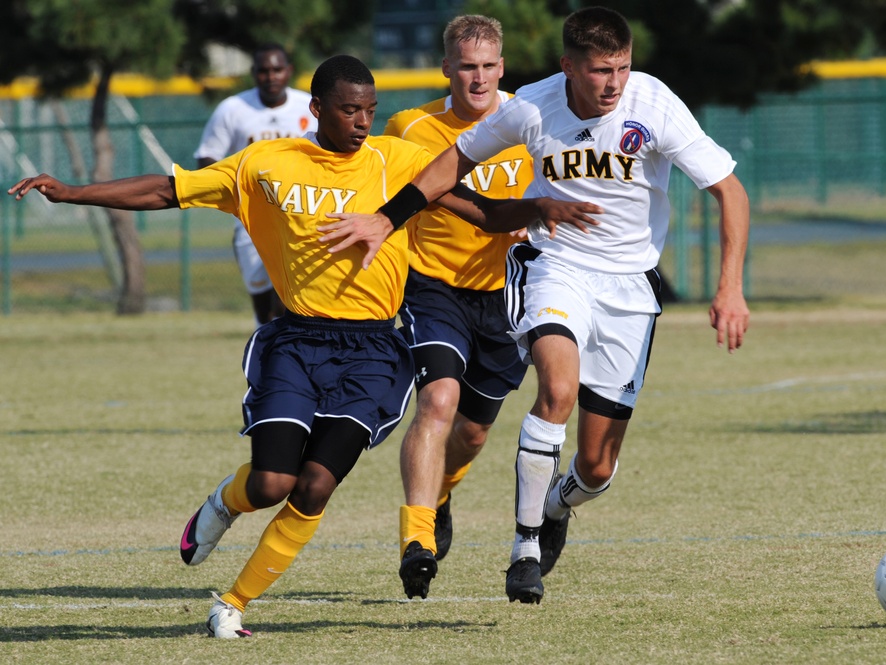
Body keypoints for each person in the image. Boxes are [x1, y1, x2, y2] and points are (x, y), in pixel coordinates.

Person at [8, 55, 598, 637]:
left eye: (369, 109)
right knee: (270, 484)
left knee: (315, 485)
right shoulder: (266, 165)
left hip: (372, 351)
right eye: (349, 110)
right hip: (295, 340)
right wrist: (72, 191)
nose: (363, 121)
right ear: (316, 109)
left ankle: (234, 603)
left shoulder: (398, 161)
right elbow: (167, 190)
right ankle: (222, 504)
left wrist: (539, 207)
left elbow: (481, 210)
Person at [322, 7, 751, 605]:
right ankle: (524, 548)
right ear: (567, 66)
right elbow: (451, 164)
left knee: (596, 468)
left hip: (630, 284)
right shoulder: (531, 107)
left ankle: (556, 505)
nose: (614, 84)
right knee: (556, 390)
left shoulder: (653, 105)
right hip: (557, 266)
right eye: (601, 71)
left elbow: (729, 190)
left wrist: (729, 287)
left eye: (622, 69)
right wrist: (386, 220)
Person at [382, 15, 533, 600]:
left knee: (471, 435)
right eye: (466, 67)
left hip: (506, 295)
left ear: (502, 67)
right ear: (447, 68)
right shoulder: (410, 127)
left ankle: (441, 494)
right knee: (437, 400)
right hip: (433, 288)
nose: (478, 78)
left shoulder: (529, 118)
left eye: (488, 66)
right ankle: (416, 539)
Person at [194, 43, 316, 327]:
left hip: (300, 214)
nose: (271, 76)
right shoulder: (233, 109)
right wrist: (234, 188)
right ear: (253, 73)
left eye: (277, 69)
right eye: (263, 70)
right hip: (253, 217)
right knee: (263, 306)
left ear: (289, 71)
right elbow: (207, 157)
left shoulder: (309, 106)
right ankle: (266, 354)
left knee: (290, 301)